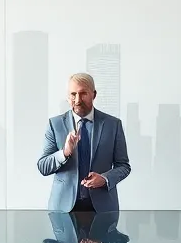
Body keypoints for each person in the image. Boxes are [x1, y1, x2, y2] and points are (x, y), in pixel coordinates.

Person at [36, 72, 131, 213]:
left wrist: (104, 179)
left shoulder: (113, 125)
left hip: (102, 209)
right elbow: (43, 167)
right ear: (68, 97)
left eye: (83, 93)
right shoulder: (54, 124)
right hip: (63, 209)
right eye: (73, 94)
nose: (77, 100)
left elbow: (123, 166)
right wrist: (65, 152)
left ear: (94, 94)